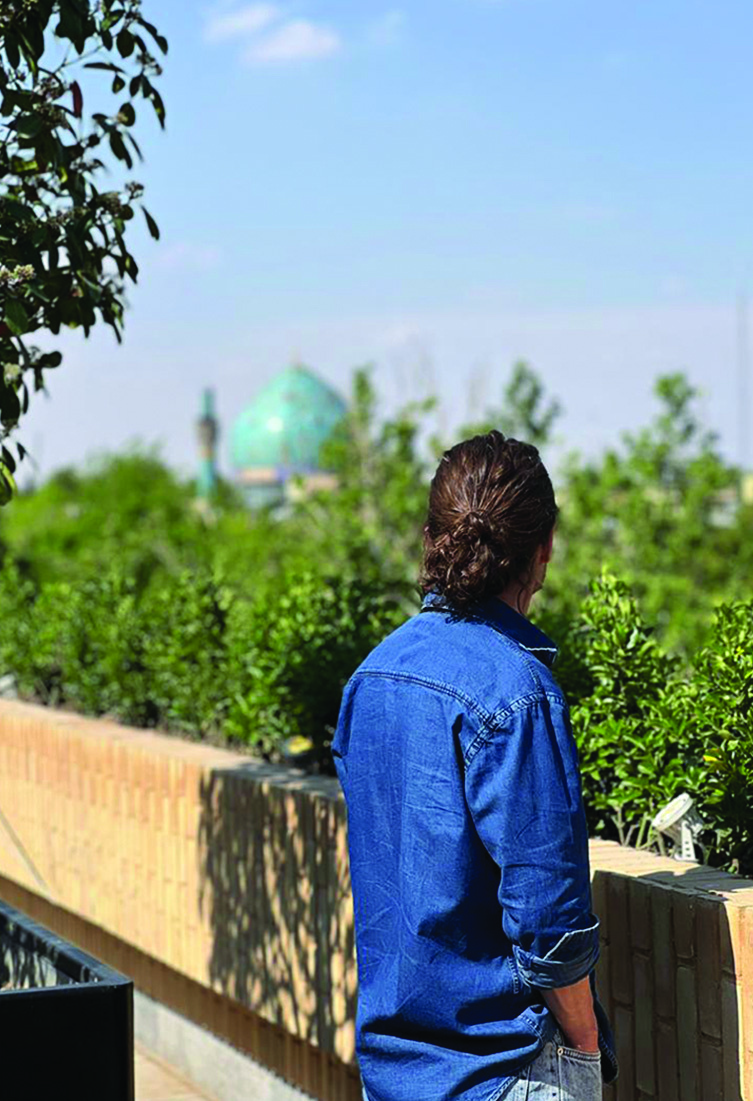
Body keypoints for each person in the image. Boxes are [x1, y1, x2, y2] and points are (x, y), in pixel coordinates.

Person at [331, 430, 618, 1101]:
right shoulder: (516, 691)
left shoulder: (370, 677)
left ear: (430, 536)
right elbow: (548, 919)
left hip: (395, 1077)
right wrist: (582, 1043)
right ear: (540, 552)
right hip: (502, 1072)